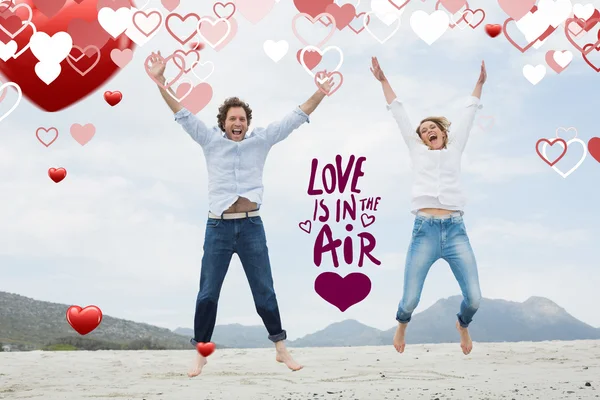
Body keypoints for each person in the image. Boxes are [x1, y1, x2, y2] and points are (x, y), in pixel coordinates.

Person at [147, 51, 333, 376]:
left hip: (251, 228)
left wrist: (320, 92)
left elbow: (296, 116)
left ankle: (280, 348)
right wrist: (160, 81)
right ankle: (201, 353)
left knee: (264, 289)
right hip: (217, 227)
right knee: (208, 292)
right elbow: (182, 112)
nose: (237, 123)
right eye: (232, 119)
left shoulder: (261, 141)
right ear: (224, 123)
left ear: (248, 123)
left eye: (242, 119)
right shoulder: (209, 140)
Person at [370, 56, 486, 356]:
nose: (428, 131)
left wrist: (479, 84)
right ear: (420, 139)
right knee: (410, 300)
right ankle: (402, 324)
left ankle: (462, 324)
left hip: (456, 230)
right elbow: (399, 114)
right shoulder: (416, 150)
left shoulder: (455, 147)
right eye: (423, 130)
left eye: (433, 127)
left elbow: (469, 113)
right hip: (424, 230)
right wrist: (383, 80)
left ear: (444, 133)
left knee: (474, 298)